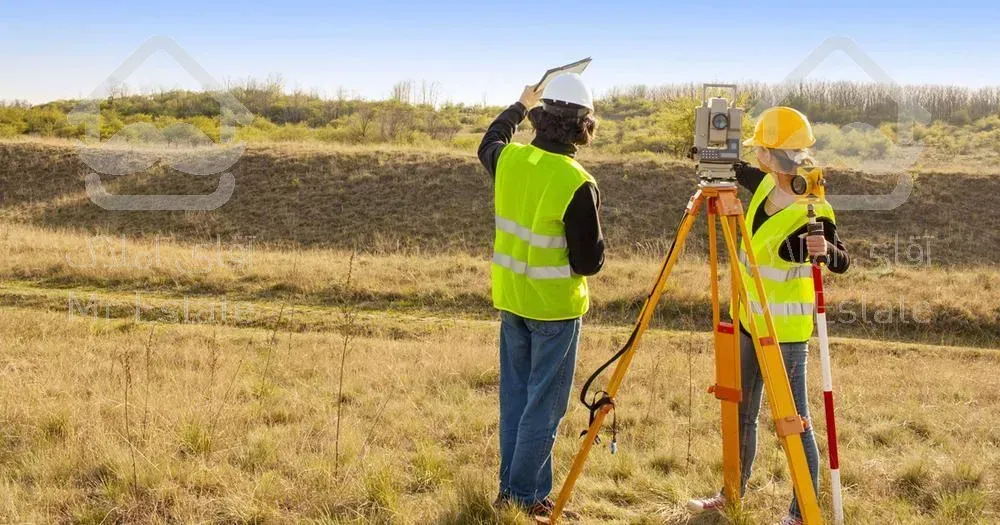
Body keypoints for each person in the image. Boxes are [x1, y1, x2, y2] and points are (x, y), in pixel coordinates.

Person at [686, 107, 850, 525]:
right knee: (741, 412)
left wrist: (825, 252)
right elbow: (738, 170)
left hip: (785, 335)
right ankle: (731, 495)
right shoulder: (764, 186)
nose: (757, 153)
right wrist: (707, 155)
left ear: (775, 154)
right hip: (747, 321)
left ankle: (801, 513)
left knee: (794, 423)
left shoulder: (814, 205)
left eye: (762, 147)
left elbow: (842, 260)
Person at [477, 73, 604, 519]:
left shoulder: (509, 160)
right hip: (554, 310)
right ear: (582, 126)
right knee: (543, 408)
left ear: (540, 116)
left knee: (516, 400)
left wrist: (518, 103)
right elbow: (588, 263)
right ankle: (524, 497)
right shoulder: (576, 181)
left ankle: (512, 490)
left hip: (512, 301)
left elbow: (489, 141)